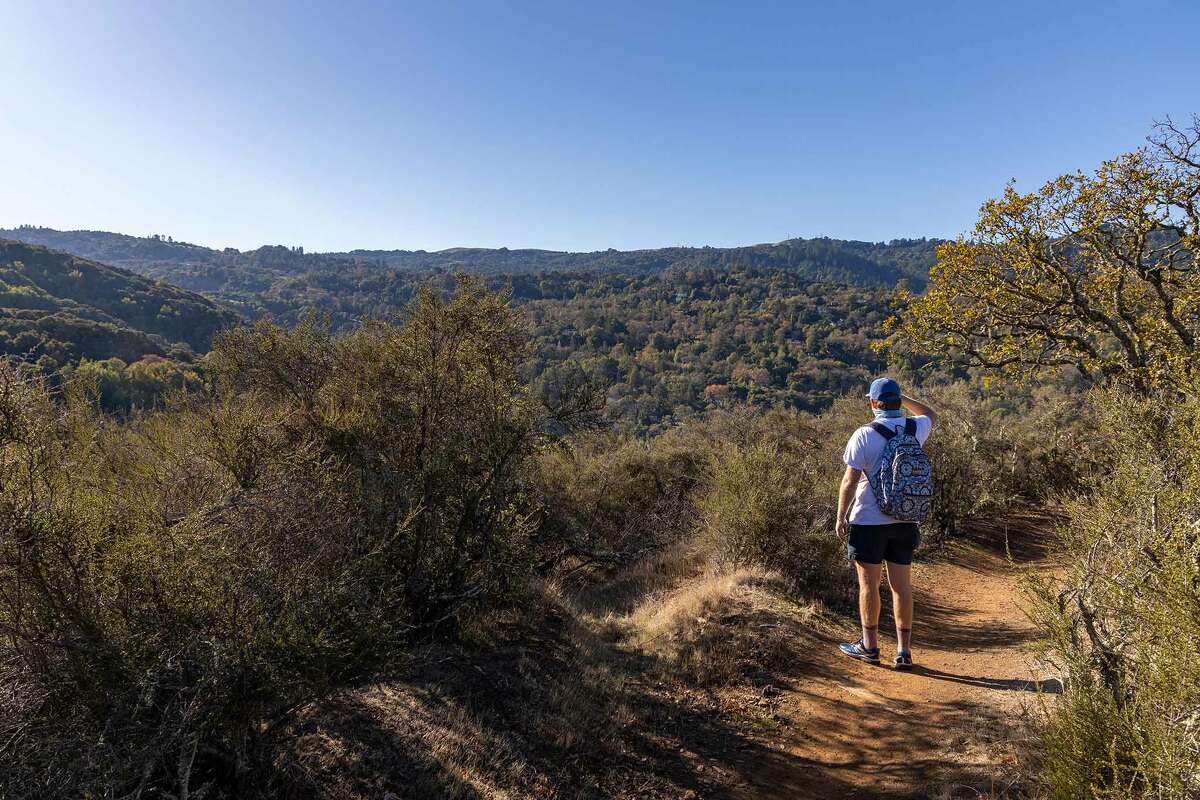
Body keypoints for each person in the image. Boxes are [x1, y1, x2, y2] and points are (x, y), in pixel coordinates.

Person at [835, 377, 937, 669]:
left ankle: (870, 647)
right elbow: (930, 414)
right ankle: (903, 652)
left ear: (872, 403)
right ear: (897, 402)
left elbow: (849, 481)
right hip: (905, 517)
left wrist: (841, 516)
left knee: (868, 585)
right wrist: (904, 400)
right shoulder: (915, 427)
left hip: (868, 521)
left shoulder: (864, 435)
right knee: (901, 587)